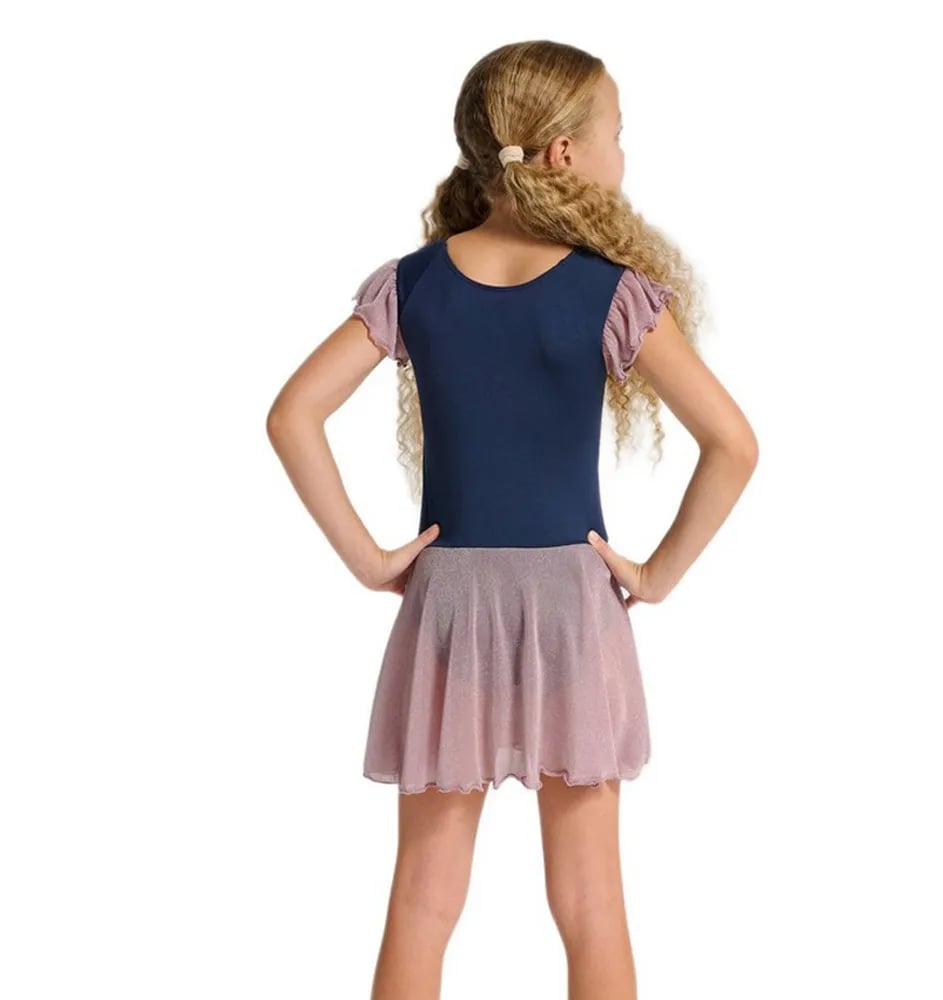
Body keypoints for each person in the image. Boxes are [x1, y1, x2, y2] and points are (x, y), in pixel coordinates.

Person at [267, 39, 757, 1000]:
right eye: (618, 133)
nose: (623, 153)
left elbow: (293, 415)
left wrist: (369, 560)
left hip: (448, 604)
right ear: (566, 152)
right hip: (574, 606)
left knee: (422, 902)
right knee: (591, 903)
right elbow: (733, 443)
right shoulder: (609, 291)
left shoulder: (413, 284)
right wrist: (655, 576)